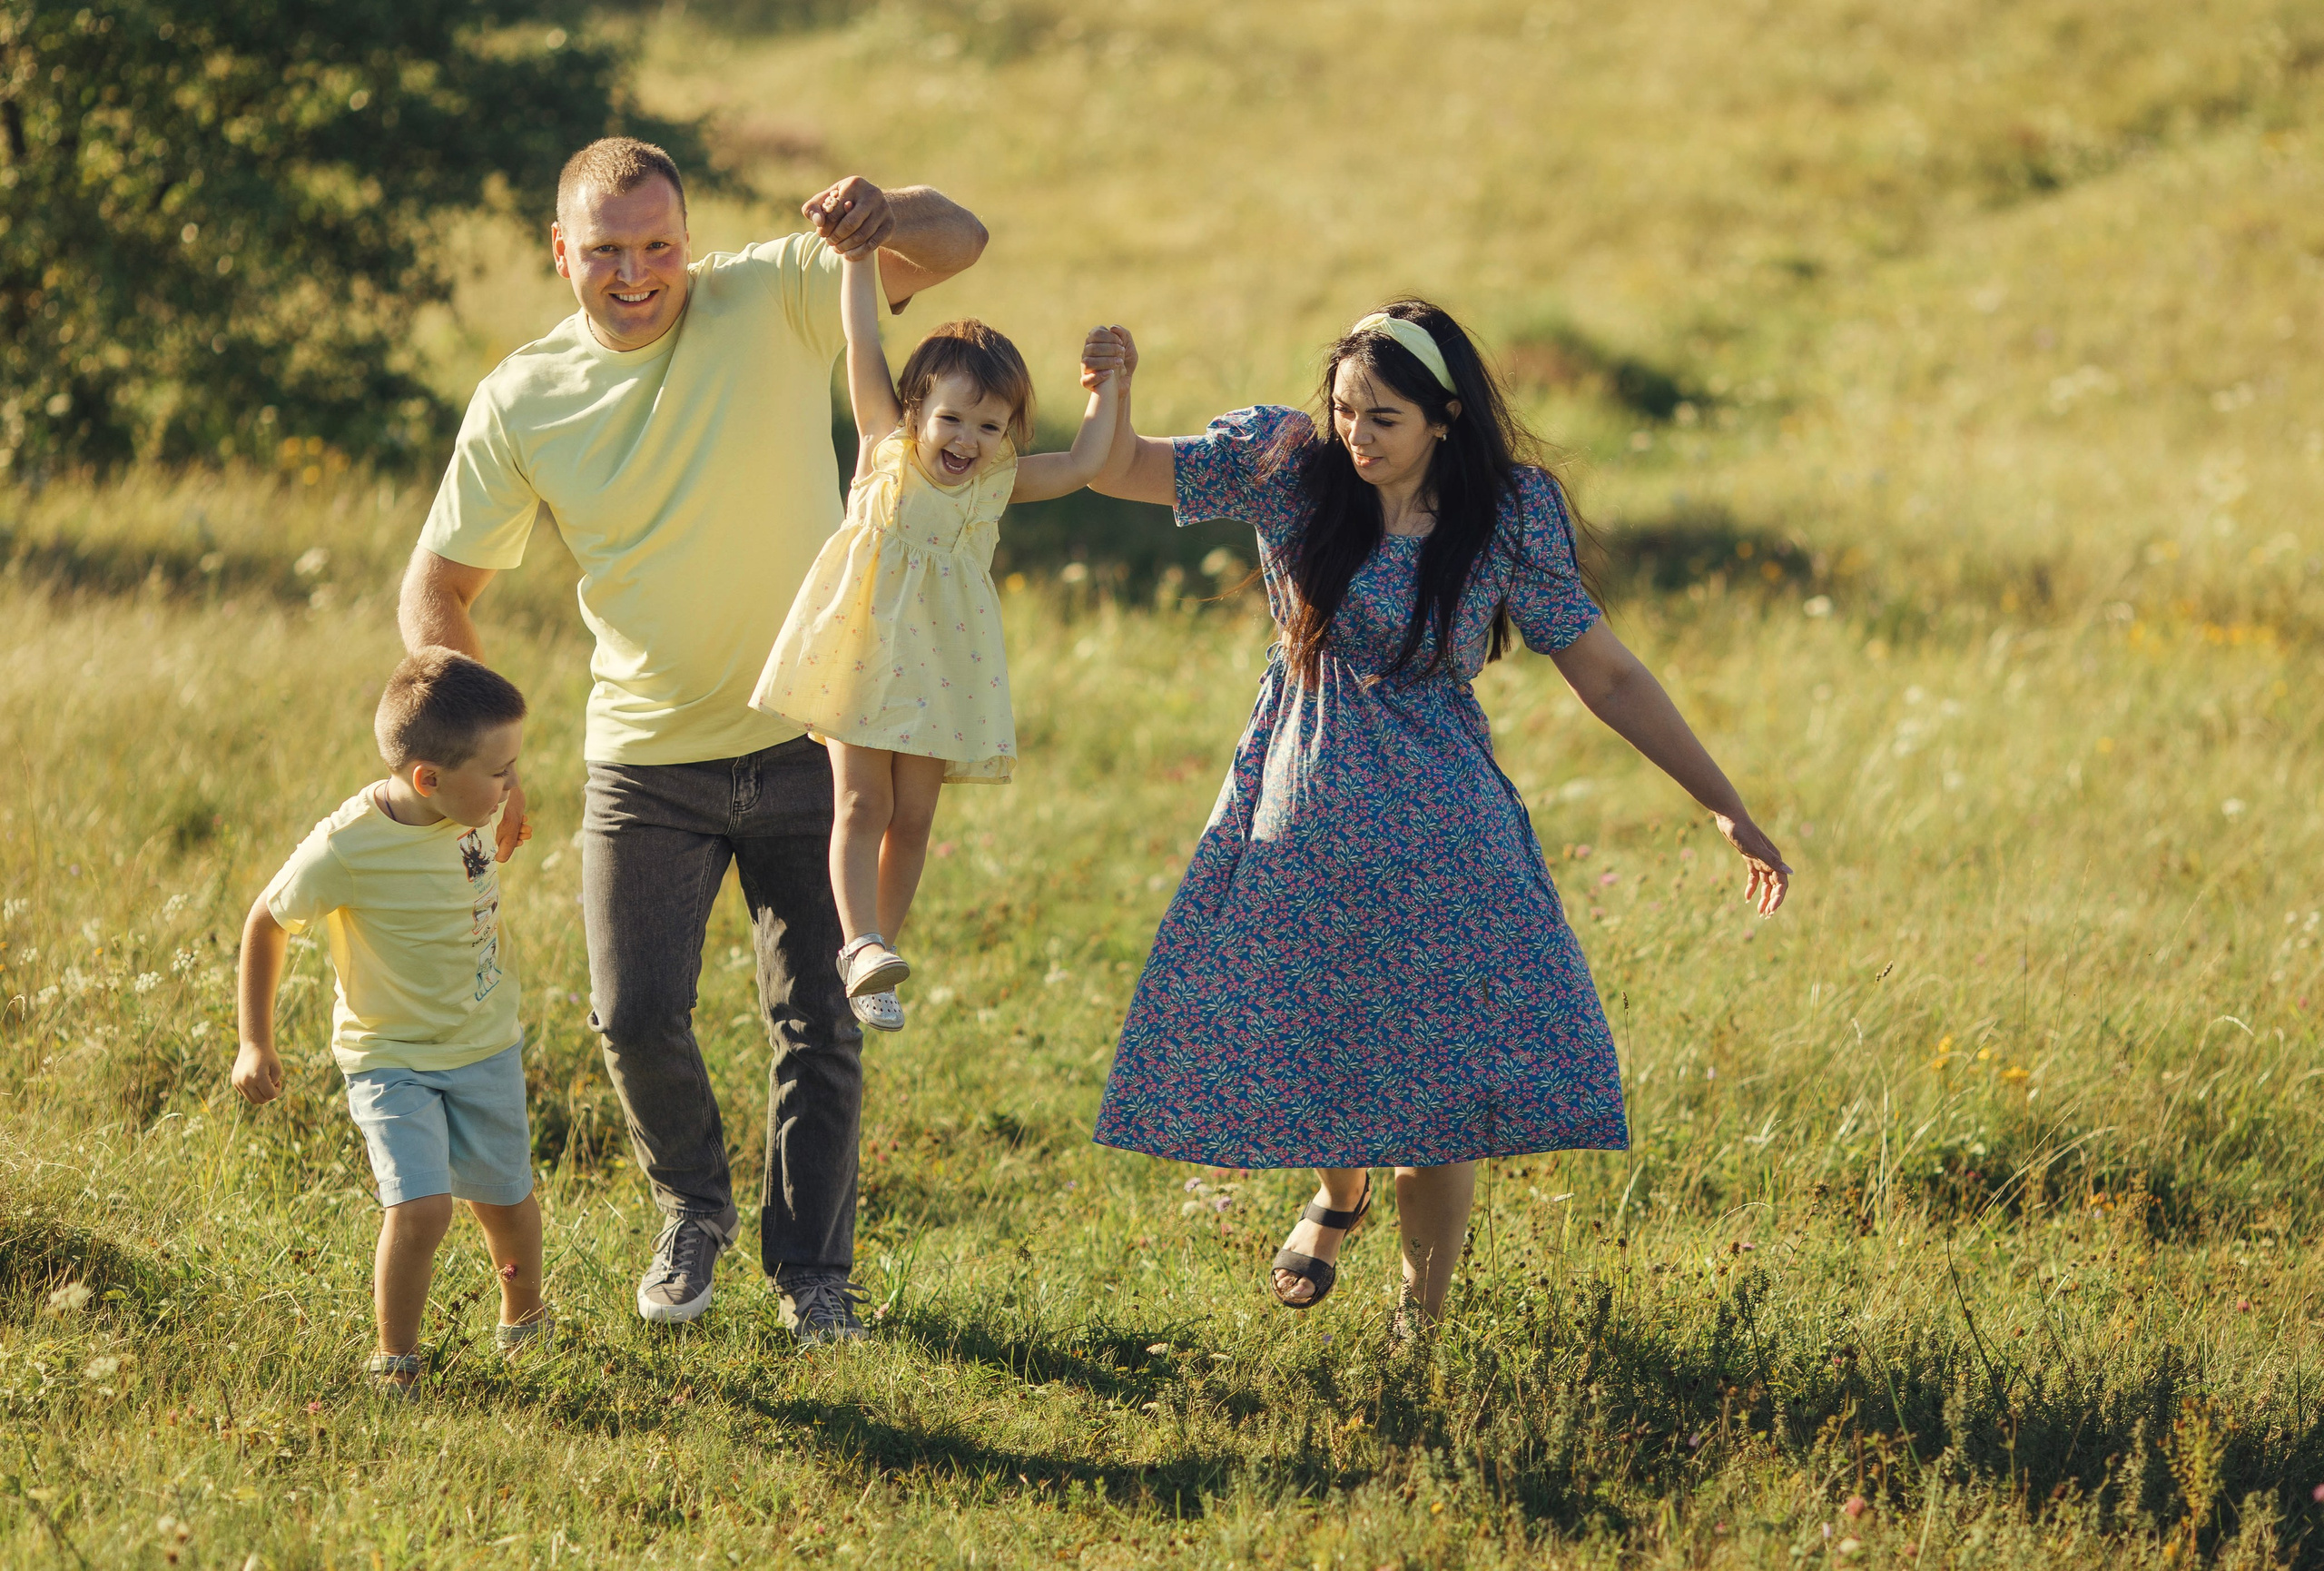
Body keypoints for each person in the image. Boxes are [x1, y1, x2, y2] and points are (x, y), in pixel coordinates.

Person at [1087, 301, 1792, 1329]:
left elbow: (1606, 672)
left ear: (1444, 419)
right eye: (1344, 412)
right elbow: (1120, 469)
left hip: (1442, 826)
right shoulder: (1289, 466)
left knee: (1442, 1074)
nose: (1356, 437)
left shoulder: (1505, 515)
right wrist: (1112, 389)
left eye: (1383, 419)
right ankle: (1339, 1193)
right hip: (1302, 804)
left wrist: (1722, 804)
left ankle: (1422, 1321)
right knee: (1312, 1033)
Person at [397, 136, 992, 1341]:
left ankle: (814, 1276)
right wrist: (479, 758)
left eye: (658, 246)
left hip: (817, 735)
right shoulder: (523, 395)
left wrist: (886, 211)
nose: (636, 273)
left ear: (689, 243)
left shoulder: (771, 292)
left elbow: (961, 242)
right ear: (559, 251)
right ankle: (694, 1208)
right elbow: (437, 589)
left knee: (819, 1021)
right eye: (606, 250)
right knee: (631, 1012)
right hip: (643, 754)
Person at [749, 248, 1127, 1033]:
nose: (968, 439)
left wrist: (1109, 387)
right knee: (863, 800)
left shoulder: (997, 481)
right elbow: (861, 339)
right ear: (917, 408)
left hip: (943, 671)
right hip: (863, 654)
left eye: (990, 426)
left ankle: (877, 963)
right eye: (953, 418)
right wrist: (856, 259)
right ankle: (858, 944)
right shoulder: (885, 448)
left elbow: (1090, 462)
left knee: (913, 817)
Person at [232, 647, 545, 1393]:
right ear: (428, 780)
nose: (512, 784)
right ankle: (396, 1360)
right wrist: (254, 1041)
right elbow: (265, 923)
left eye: (514, 767)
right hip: (389, 1055)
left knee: (506, 1199)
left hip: (483, 1044)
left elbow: (494, 782)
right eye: (501, 772)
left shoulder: (466, 801)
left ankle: (526, 1323)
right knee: (422, 1208)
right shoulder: (346, 847)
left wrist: (510, 790)